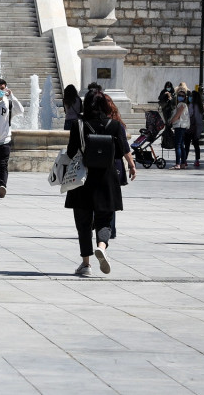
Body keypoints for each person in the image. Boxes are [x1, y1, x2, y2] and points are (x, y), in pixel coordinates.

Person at [65, 89, 134, 277]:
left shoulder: (78, 124)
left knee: (83, 223)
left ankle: (86, 265)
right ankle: (102, 247)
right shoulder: (115, 126)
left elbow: (71, 152)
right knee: (104, 220)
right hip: (107, 179)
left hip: (83, 180)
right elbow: (121, 151)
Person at [104, 94, 134, 240]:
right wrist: (132, 164)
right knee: (111, 197)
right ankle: (111, 229)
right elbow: (125, 148)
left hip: (96, 164)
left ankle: (99, 227)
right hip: (114, 164)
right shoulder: (117, 125)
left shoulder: (92, 123)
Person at [169, 85, 191, 170]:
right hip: (181, 126)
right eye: (179, 95)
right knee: (181, 145)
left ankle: (178, 163)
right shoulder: (182, 104)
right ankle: (183, 163)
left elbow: (177, 116)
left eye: (182, 96)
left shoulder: (182, 105)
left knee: (177, 145)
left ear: (185, 97)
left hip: (180, 126)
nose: (180, 97)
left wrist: (170, 122)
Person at [187, 89, 204, 168]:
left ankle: (184, 160)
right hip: (198, 127)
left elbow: (190, 114)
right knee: (196, 145)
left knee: (187, 144)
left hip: (191, 127)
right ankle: (197, 160)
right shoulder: (201, 106)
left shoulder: (192, 105)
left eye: (191, 96)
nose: (190, 97)